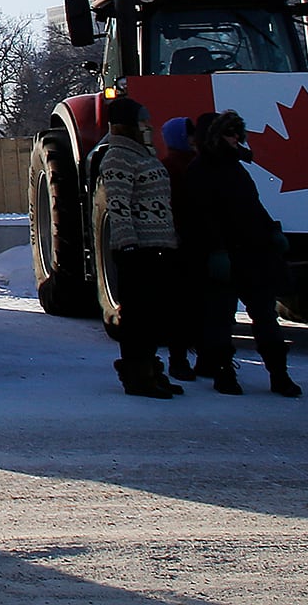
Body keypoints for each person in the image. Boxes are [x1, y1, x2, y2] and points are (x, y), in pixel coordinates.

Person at [188, 110, 301, 398]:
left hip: (252, 252)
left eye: (238, 133)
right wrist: (216, 251)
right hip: (226, 254)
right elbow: (202, 216)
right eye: (230, 133)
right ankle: (224, 371)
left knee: (263, 316)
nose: (236, 139)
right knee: (221, 319)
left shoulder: (235, 168)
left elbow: (252, 206)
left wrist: (270, 229)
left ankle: (278, 373)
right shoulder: (202, 170)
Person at [95, 96, 182, 399]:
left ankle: (151, 368)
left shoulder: (144, 154)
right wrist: (127, 245)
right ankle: (137, 374)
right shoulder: (118, 156)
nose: (147, 125)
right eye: (141, 120)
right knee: (138, 317)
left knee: (153, 315)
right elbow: (118, 205)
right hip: (138, 248)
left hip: (159, 244)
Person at [158, 113, 204, 382]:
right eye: (189, 135)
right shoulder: (174, 168)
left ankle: (194, 357)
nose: (193, 140)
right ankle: (180, 359)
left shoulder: (192, 165)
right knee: (183, 305)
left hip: (191, 241)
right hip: (182, 243)